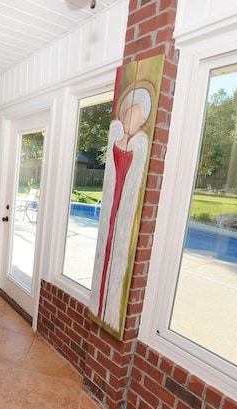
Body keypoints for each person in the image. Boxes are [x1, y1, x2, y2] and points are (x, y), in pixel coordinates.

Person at [90, 86, 152, 333]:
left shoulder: (140, 151)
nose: (131, 120)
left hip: (125, 209)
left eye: (137, 117)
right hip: (110, 208)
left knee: (118, 254)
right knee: (104, 250)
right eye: (128, 114)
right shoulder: (115, 142)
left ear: (143, 121)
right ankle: (99, 303)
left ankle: (109, 308)